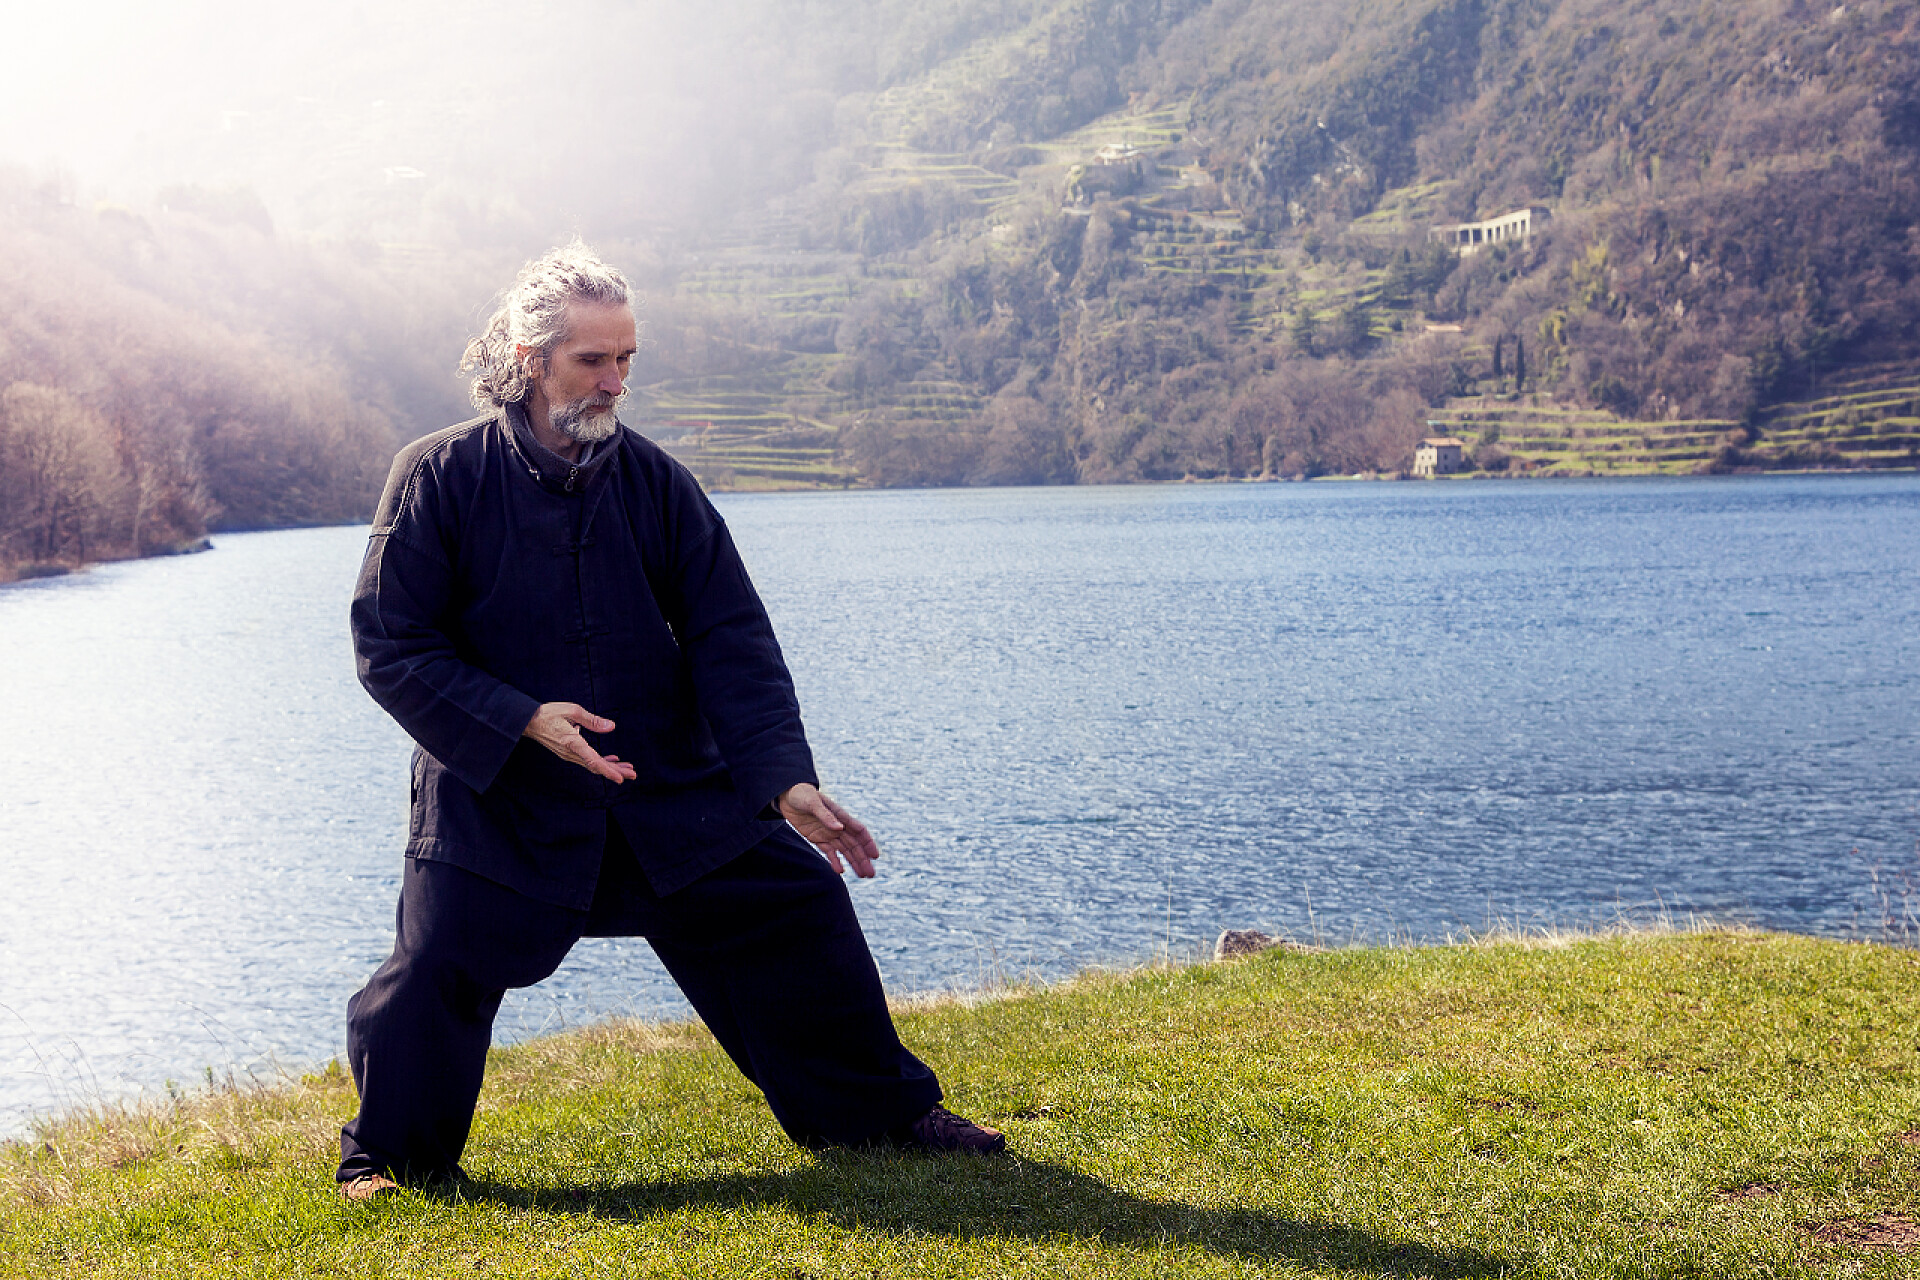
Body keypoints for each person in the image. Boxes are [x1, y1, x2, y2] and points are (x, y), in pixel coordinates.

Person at [336, 241, 1004, 1201]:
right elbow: (390, 642)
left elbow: (732, 638)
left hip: (668, 798)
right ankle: (390, 1161)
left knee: (798, 903)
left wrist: (783, 780)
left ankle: (879, 1116)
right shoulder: (436, 476)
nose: (614, 382)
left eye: (626, 359)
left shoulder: (657, 483)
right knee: (435, 962)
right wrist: (522, 719)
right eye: (591, 361)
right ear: (530, 360)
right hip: (503, 799)